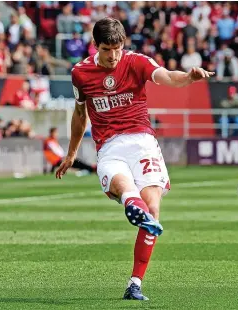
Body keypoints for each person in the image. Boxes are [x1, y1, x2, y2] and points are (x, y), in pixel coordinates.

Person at [55, 17, 214, 301]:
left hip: (142, 142)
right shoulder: (80, 73)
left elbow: (166, 76)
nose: (113, 55)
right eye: (107, 49)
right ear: (95, 46)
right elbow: (80, 114)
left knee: (152, 209)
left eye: (118, 48)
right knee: (124, 186)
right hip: (110, 146)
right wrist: (71, 153)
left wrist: (189, 77)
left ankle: (135, 283)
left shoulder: (137, 62)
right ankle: (132, 204)